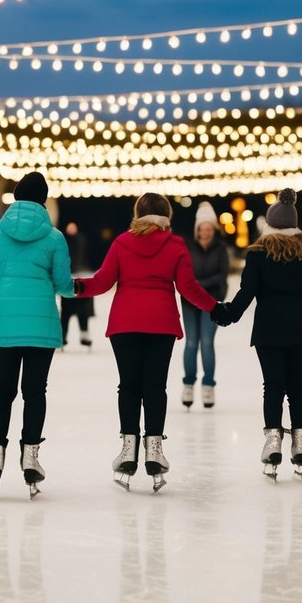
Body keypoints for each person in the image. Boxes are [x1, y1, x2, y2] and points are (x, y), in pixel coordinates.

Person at [74, 192, 220, 492]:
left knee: (129, 385)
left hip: (125, 323)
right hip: (160, 323)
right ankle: (154, 450)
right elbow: (188, 288)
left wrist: (74, 286)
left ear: (138, 213)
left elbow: (102, 281)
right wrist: (217, 308)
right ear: (166, 214)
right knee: (155, 386)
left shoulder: (122, 242)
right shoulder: (176, 245)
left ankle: (129, 450)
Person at [211, 189, 302, 480]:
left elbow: (247, 292)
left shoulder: (257, 253)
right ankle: (300, 443)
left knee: (273, 387)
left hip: (268, 330)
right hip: (301, 329)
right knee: (298, 388)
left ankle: (273, 442)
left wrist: (227, 314)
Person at [0, 172, 74, 499]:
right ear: (43, 200)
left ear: (15, 197)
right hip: (41, 325)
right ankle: (30, 456)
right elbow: (64, 285)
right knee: (34, 390)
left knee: (2, 389)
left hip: (3, 326)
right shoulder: (54, 237)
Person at [180, 202, 229, 409]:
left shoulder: (220, 248)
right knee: (191, 342)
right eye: (202, 228)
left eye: (209, 229)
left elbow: (222, 275)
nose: (205, 232)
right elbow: (184, 272)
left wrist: (201, 285)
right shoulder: (188, 246)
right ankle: (189, 383)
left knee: (207, 342)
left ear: (213, 229)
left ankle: (208, 385)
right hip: (190, 301)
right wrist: (193, 287)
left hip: (211, 301)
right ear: (197, 229)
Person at [59, 221, 96, 349]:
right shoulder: (65, 242)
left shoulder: (79, 241)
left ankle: (83, 335)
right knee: (66, 313)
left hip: (80, 277)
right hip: (70, 278)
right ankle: (63, 336)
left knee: (82, 311)